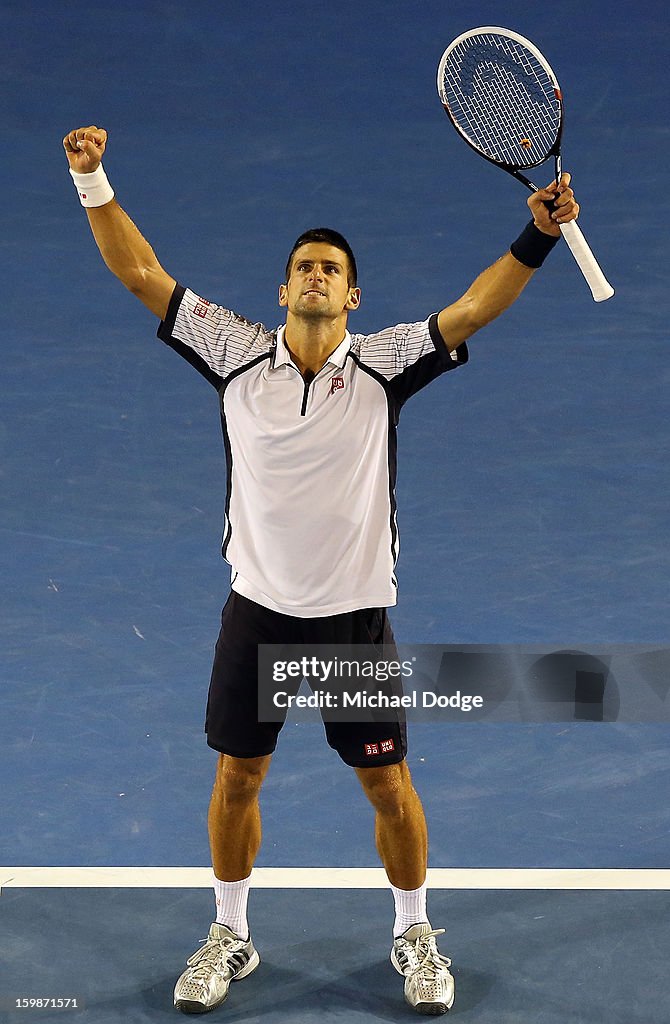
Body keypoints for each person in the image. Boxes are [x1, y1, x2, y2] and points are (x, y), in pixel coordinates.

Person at [63, 124, 579, 1017]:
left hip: (351, 620)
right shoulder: (232, 353)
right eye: (303, 264)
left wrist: (536, 234)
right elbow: (141, 274)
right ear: (284, 288)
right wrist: (91, 177)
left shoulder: (383, 365)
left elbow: (471, 307)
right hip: (257, 611)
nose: (315, 274)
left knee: (387, 783)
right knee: (237, 778)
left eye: (331, 269)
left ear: (352, 295)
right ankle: (230, 932)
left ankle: (414, 932)